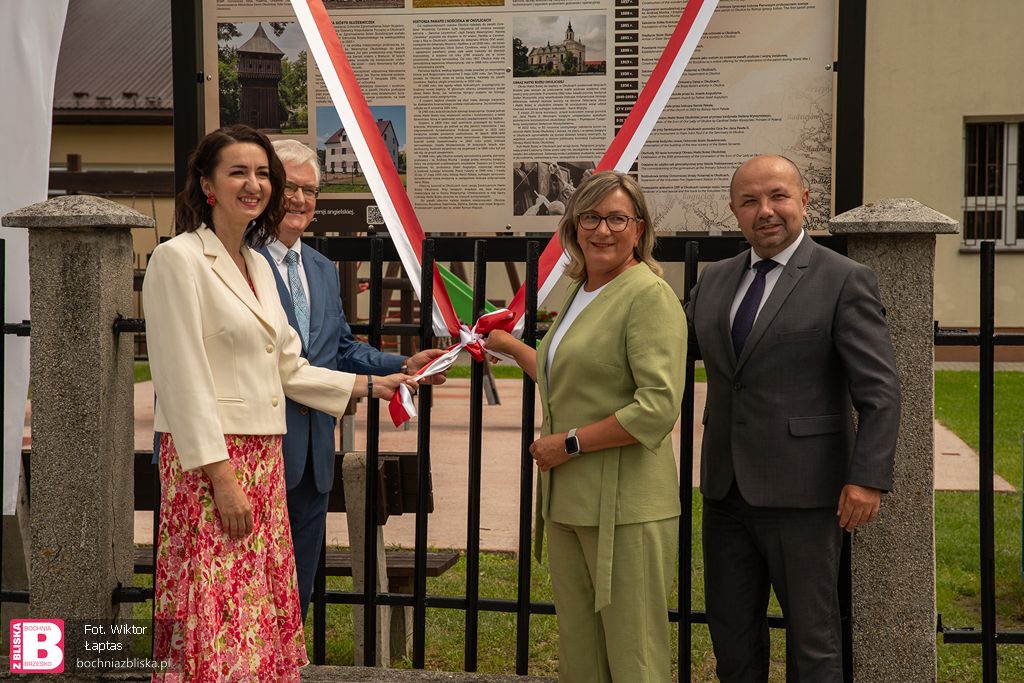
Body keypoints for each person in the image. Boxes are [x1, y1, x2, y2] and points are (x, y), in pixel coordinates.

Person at [143, 125, 416, 682]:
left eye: (262, 173)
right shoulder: (178, 259)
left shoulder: (257, 264)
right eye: (238, 172)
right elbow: (181, 379)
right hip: (213, 462)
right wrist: (221, 477)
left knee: (256, 608)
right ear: (207, 185)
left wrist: (376, 385)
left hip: (264, 458)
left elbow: (289, 367)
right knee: (212, 606)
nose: (254, 184)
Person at [684, 155, 900, 681]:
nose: (765, 210)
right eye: (750, 201)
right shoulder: (716, 280)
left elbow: (880, 391)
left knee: (814, 639)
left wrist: (867, 478)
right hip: (725, 493)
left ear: (804, 201)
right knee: (732, 638)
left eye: (778, 196)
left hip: (806, 495)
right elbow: (665, 351)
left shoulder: (843, 279)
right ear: (734, 211)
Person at [486, 170, 685, 682]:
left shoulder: (648, 295)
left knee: (634, 657)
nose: (602, 230)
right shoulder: (581, 289)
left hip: (626, 507)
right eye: (591, 217)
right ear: (574, 225)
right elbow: (568, 376)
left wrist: (569, 444)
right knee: (581, 655)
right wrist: (510, 348)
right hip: (570, 501)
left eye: (617, 219)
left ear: (639, 229)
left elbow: (657, 407)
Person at [257, 139, 446, 620]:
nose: (300, 199)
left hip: (314, 455)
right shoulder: (241, 261)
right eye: (289, 187)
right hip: (260, 449)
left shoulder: (320, 268)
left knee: (296, 588)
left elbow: (340, 348)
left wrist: (402, 364)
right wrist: (368, 387)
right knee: (251, 587)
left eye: (310, 191)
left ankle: (290, 656)